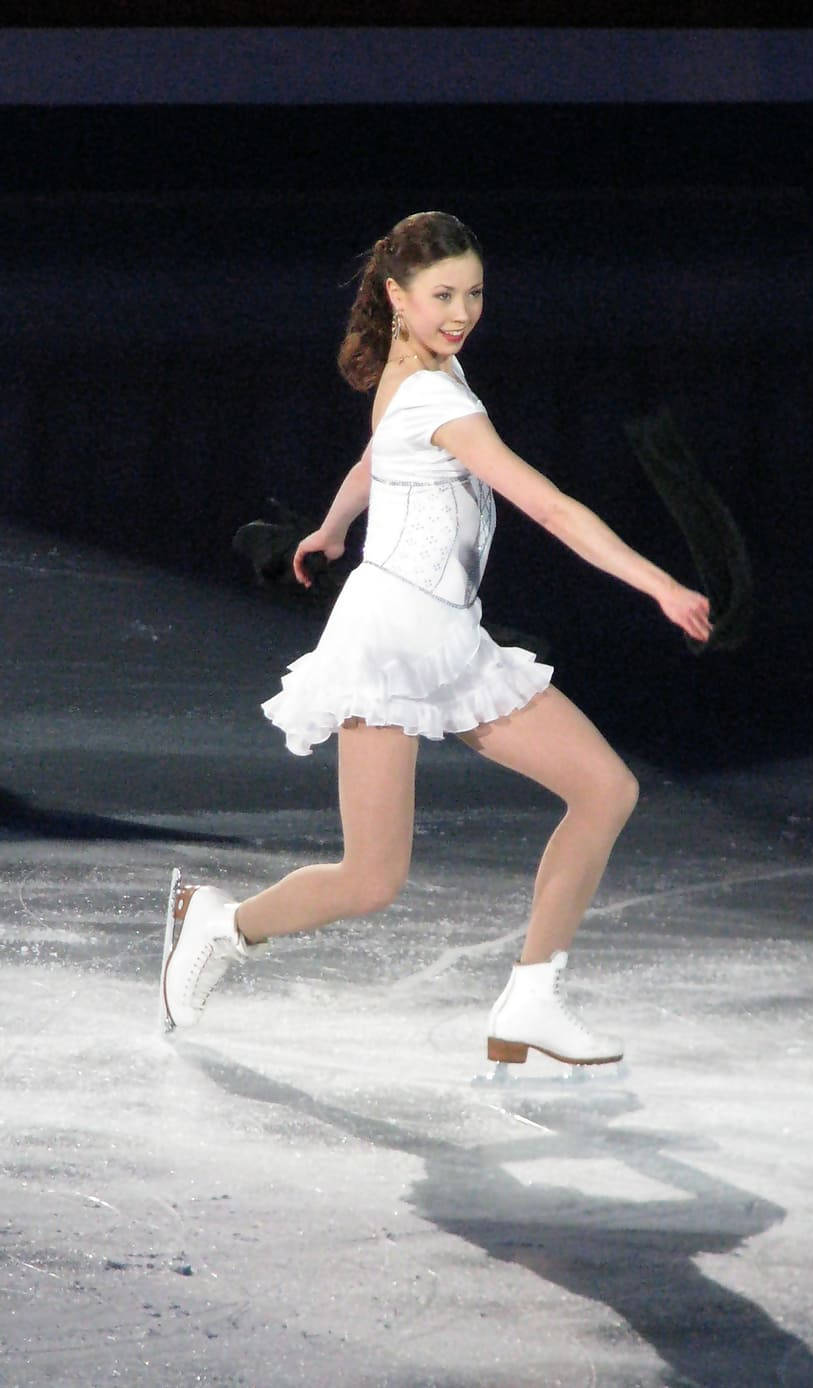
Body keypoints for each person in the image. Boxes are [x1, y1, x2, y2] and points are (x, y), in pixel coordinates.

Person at [160, 211, 712, 1066]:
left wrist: (334, 528)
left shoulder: (421, 369)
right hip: (387, 643)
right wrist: (659, 582)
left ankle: (530, 999)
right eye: (442, 295)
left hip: (449, 638)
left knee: (605, 789)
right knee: (372, 880)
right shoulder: (430, 394)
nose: (462, 311)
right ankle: (220, 925)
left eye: (475, 293)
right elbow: (548, 506)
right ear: (397, 296)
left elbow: (374, 459)